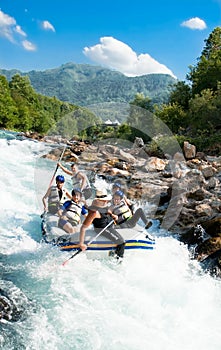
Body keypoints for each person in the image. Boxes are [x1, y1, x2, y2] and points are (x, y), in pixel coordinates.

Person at [79, 188, 125, 262]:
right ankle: (118, 261)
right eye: (103, 200)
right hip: (103, 228)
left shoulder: (101, 203)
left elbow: (106, 210)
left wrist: (112, 215)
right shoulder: (94, 213)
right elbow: (83, 228)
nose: (106, 202)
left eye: (106, 200)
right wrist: (81, 244)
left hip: (109, 222)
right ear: (97, 200)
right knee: (122, 242)